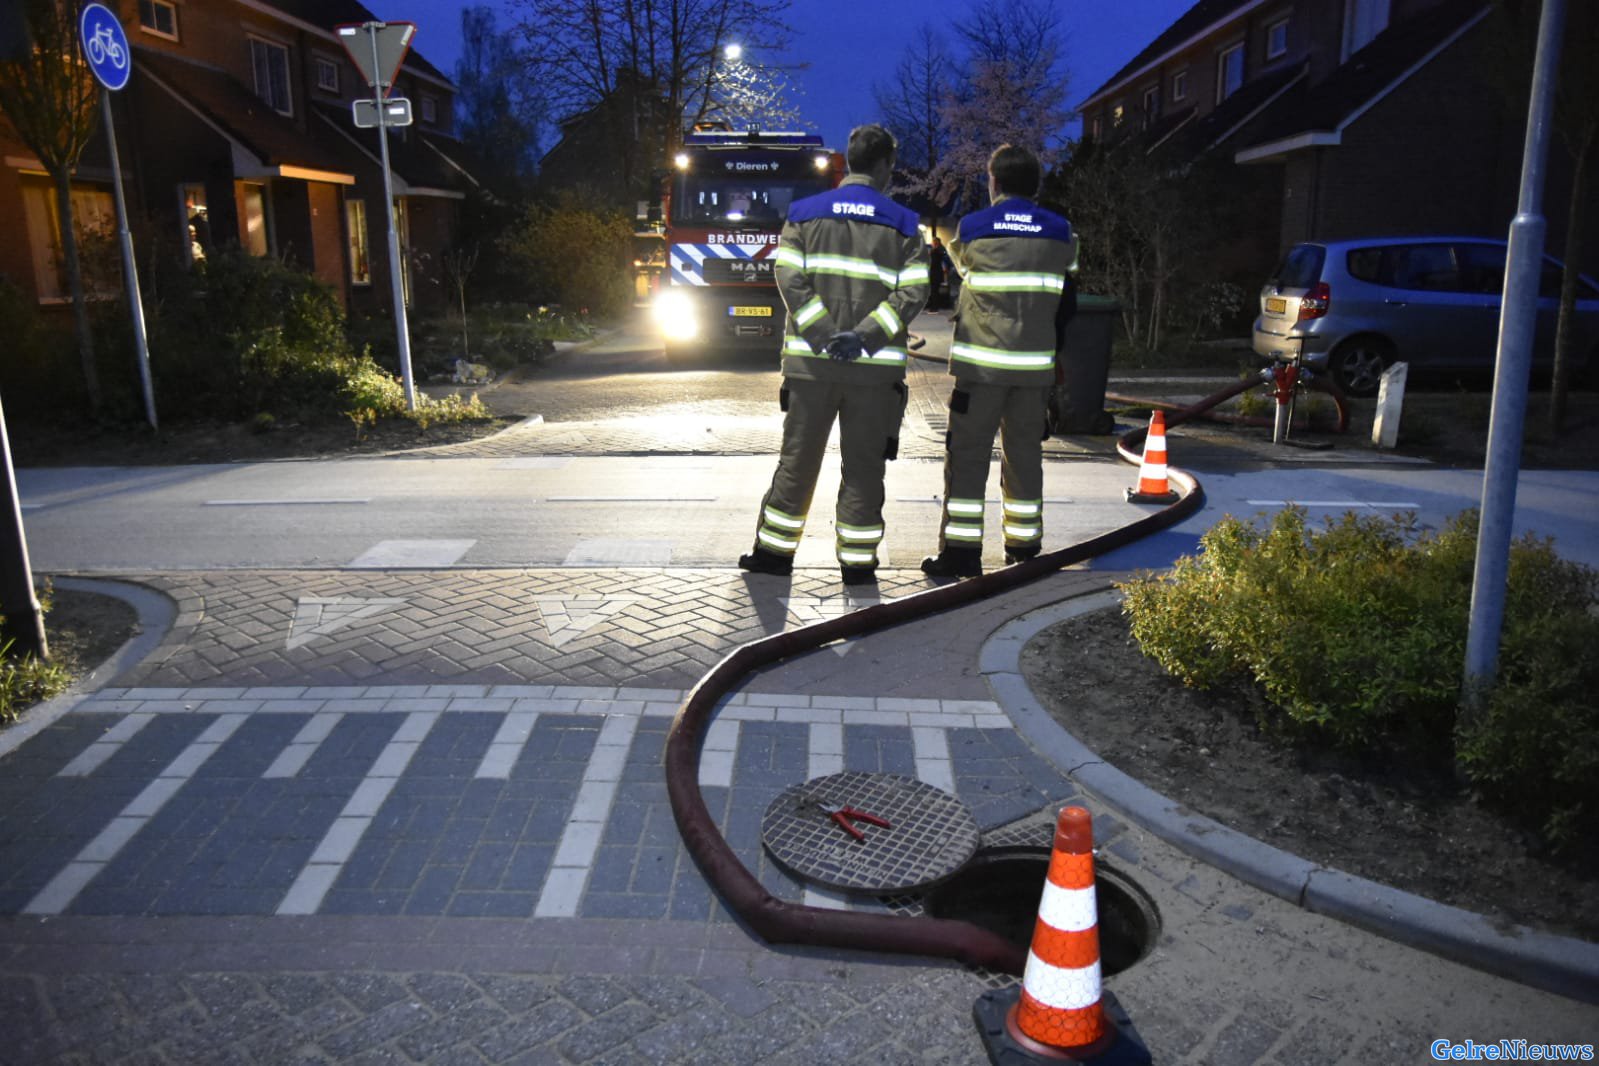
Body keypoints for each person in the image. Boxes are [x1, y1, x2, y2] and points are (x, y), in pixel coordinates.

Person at [738, 124, 930, 586]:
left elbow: (789, 280)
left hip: (810, 367)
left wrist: (824, 335)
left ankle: (774, 556)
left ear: (849, 160)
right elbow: (914, 293)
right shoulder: (905, 225)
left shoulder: (803, 215)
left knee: (798, 459)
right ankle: (858, 565)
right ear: (885, 165)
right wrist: (863, 338)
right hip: (873, 376)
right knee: (864, 467)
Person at [921, 143, 1078, 578]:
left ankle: (961, 553)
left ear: (994, 182)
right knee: (1025, 456)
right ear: (1036, 185)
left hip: (981, 370)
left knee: (968, 457)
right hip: (1033, 371)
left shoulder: (971, 228)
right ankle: (1024, 548)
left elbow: (962, 269)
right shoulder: (1062, 232)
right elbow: (1067, 294)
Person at [927, 236, 949, 311]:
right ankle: (935, 306)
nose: (931, 243)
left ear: (935, 243)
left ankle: (934, 307)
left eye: (932, 242)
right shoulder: (941, 250)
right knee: (935, 290)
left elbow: (932, 263)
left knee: (933, 291)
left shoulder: (935, 251)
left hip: (934, 274)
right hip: (938, 273)